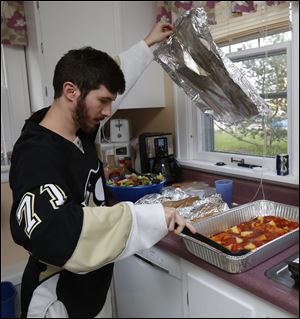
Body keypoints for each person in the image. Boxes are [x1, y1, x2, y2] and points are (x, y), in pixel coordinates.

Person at [9, 22, 196, 318]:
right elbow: (57, 230)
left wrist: (148, 44)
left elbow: (110, 78)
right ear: (70, 91)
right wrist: (152, 216)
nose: (109, 111)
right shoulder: (36, 155)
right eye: (104, 102)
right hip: (55, 299)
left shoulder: (80, 127)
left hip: (91, 289)